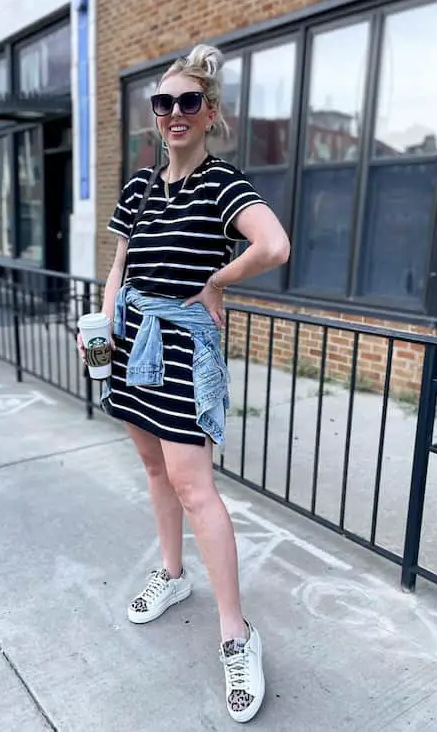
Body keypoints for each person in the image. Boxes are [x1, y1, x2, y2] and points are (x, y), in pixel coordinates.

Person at [78, 43, 290, 723]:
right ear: (155, 114)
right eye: (164, 102)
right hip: (133, 342)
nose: (174, 113)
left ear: (210, 112)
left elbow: (274, 245)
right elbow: (120, 267)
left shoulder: (223, 183)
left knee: (197, 488)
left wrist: (216, 281)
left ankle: (236, 633)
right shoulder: (140, 186)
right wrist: (103, 325)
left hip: (182, 352)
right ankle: (172, 576)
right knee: (153, 469)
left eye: (188, 102)